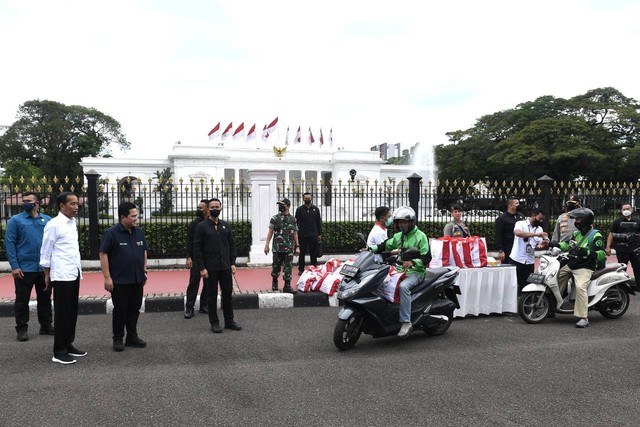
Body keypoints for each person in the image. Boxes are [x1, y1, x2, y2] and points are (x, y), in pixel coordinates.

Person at [368, 206, 431, 338]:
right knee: (381, 283)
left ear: (411, 222)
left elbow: (427, 257)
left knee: (403, 287)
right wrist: (369, 249)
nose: (402, 225)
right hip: (400, 269)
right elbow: (385, 245)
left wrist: (413, 262)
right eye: (399, 222)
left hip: (416, 272)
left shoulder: (421, 236)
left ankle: (406, 322)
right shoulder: (398, 236)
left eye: (404, 222)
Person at [40, 192, 85, 365]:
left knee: (72, 312)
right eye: (72, 204)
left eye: (76, 204)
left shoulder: (71, 223)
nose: (76, 207)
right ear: (61, 206)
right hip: (61, 275)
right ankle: (59, 351)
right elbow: (46, 251)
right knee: (62, 314)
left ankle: (68, 344)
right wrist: (46, 274)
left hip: (73, 272)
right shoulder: (54, 225)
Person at [99, 202, 149, 352]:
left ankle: (132, 337)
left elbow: (144, 251)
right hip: (119, 280)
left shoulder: (139, 232)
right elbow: (103, 254)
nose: (136, 219)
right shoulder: (111, 233)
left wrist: (144, 270)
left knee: (135, 308)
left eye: (136, 215)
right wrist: (107, 277)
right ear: (123, 217)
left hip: (137, 278)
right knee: (120, 309)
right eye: (133, 216)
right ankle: (118, 338)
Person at [5, 192, 53, 342]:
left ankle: (46, 325)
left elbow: (52, 244)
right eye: (24, 200)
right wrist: (14, 266)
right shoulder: (15, 221)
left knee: (45, 298)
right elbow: (10, 244)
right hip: (24, 268)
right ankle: (21, 329)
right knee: (22, 299)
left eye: (29, 200)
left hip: (43, 268)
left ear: (37, 203)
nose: (25, 203)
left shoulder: (47, 220)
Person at [550, 208, 606, 328]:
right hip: (574, 264)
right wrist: (552, 244)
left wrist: (586, 252)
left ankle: (583, 318)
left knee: (581, 287)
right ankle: (552, 306)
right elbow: (567, 245)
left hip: (586, 266)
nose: (576, 221)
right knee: (555, 278)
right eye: (576, 218)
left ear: (586, 220)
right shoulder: (576, 234)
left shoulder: (596, 235)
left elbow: (602, 254)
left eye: (578, 219)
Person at [194, 198, 242, 333]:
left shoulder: (225, 225)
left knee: (227, 293)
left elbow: (231, 245)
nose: (215, 209)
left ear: (221, 208)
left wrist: (232, 262)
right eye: (212, 207)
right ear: (208, 209)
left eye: (217, 206)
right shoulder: (201, 227)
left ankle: (229, 321)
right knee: (212, 295)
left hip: (225, 266)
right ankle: (214, 322)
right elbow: (197, 248)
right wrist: (202, 267)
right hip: (210, 267)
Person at [265, 198, 300, 293]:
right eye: (280, 205)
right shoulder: (275, 218)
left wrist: (297, 246)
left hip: (289, 248)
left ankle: (287, 286)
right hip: (277, 248)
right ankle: (275, 280)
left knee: (288, 267)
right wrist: (267, 245)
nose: (280, 207)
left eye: (282, 205)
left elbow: (295, 233)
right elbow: (270, 232)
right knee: (276, 266)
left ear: (288, 206)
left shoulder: (293, 219)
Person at [511, 209, 549, 291]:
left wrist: (542, 244)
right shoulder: (520, 224)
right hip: (517, 259)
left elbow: (537, 244)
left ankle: (525, 301)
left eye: (543, 219)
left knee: (528, 285)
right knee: (514, 284)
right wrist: (535, 234)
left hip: (530, 260)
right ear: (533, 216)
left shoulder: (539, 229)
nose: (541, 221)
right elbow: (518, 233)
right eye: (540, 218)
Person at [184, 199, 210, 319]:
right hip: (195, 258)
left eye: (201, 208)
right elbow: (189, 241)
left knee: (208, 283)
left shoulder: (212, 223)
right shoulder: (194, 224)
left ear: (207, 209)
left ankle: (204, 306)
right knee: (194, 282)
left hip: (209, 258)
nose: (198, 210)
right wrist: (188, 257)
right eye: (198, 207)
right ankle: (189, 308)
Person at [605, 203, 640, 281]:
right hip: (621, 250)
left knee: (638, 269)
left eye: (628, 209)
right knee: (622, 269)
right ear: (621, 211)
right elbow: (611, 234)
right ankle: (623, 287)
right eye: (624, 209)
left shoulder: (637, 221)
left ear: (632, 209)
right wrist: (608, 247)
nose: (626, 211)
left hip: (635, 250)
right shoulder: (617, 222)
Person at [295, 192, 322, 274]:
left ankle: (314, 267)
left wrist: (319, 234)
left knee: (313, 253)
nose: (307, 200)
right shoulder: (299, 210)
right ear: (303, 199)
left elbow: (318, 222)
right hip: (302, 234)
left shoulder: (316, 209)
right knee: (301, 253)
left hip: (313, 234)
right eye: (306, 198)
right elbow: (296, 222)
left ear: (311, 199)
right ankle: (301, 269)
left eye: (308, 198)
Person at [495, 198, 525, 264]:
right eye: (516, 203)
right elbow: (498, 235)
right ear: (510, 205)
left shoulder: (521, 216)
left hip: (520, 247)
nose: (518, 205)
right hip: (508, 247)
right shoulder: (502, 218)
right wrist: (501, 250)